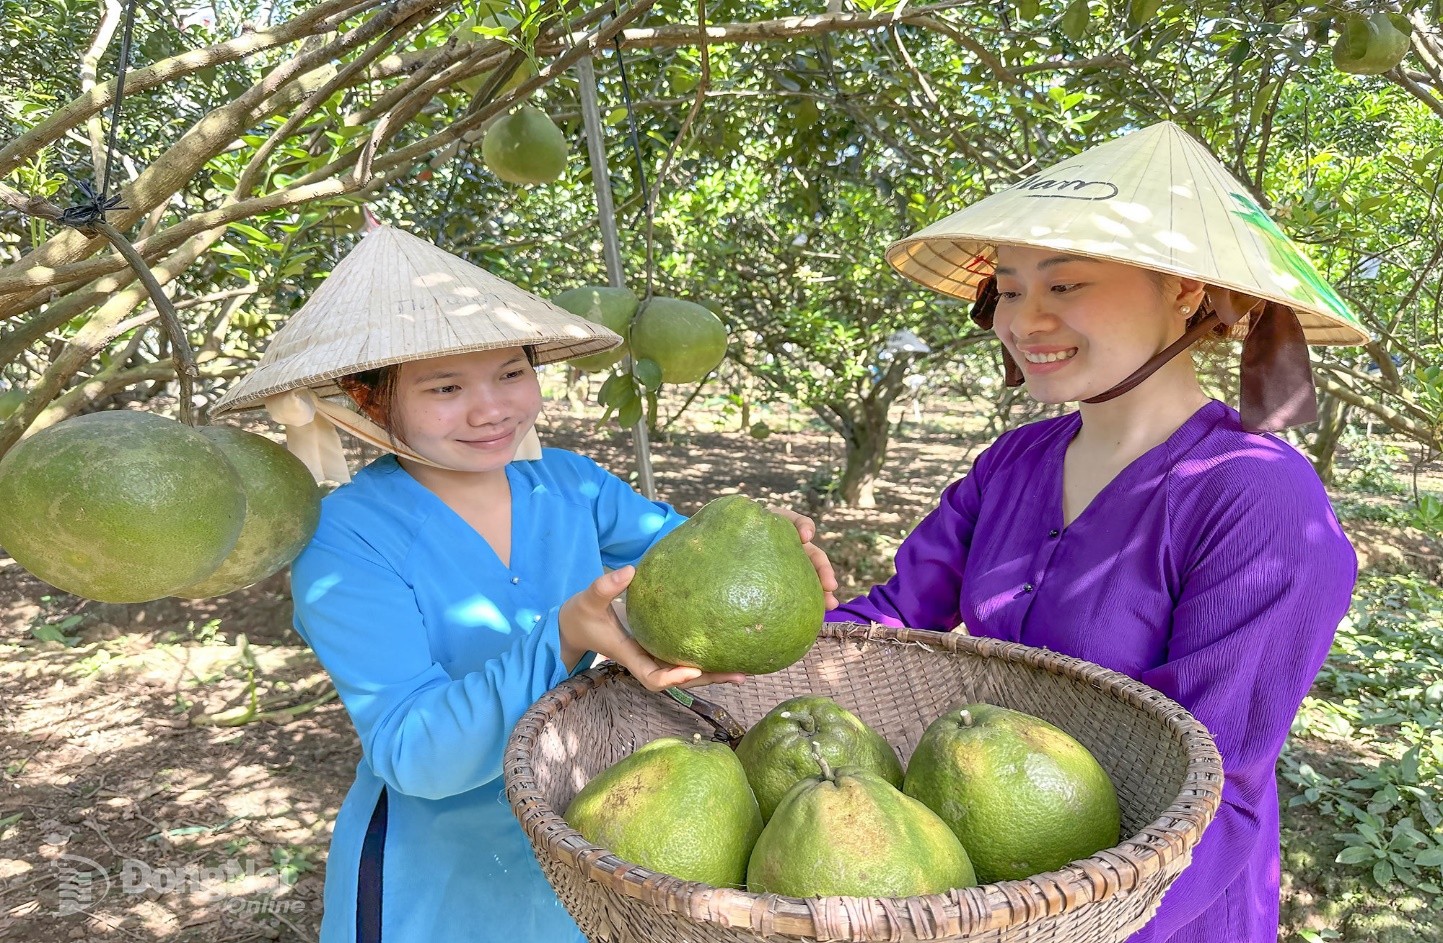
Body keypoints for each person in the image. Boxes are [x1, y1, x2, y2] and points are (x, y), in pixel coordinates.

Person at [211, 225, 838, 943]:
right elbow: (414, 748)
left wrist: (767, 545)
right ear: (368, 400)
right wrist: (566, 634)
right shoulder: (345, 537)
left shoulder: (569, 485)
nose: (492, 409)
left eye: (511, 372)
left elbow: (691, 555)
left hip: (598, 836)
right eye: (446, 387)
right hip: (444, 875)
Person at [828, 121, 1366, 943]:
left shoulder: (1255, 496)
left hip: (1157, 904)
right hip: (995, 868)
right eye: (1007, 289)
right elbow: (894, 618)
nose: (1023, 319)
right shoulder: (1013, 463)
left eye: (1065, 285)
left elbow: (1203, 778)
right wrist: (751, 645)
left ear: (1184, 291)